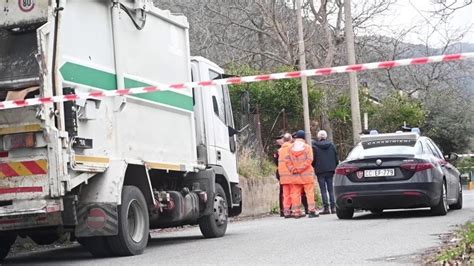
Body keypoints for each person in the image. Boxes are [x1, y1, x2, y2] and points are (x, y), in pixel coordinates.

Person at [285, 130, 319, 218]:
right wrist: (301, 168)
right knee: (309, 193)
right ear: (304, 137)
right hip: (307, 175)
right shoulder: (307, 147)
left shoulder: (290, 148)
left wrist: (293, 169)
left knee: (295, 193)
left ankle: (297, 212)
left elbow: (287, 161)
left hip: (295, 175)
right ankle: (311, 210)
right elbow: (310, 160)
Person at [312, 130, 339, 214]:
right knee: (331, 189)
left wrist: (314, 166)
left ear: (318, 137)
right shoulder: (331, 145)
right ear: (326, 136)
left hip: (320, 170)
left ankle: (326, 208)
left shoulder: (315, 146)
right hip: (330, 170)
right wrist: (335, 166)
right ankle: (333, 207)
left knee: (323, 189)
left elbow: (313, 159)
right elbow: (336, 157)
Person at [277, 133, 294, 218]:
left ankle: (286, 211)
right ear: (291, 139)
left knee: (285, 194)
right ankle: (294, 210)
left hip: (282, 175)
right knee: (294, 193)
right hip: (291, 174)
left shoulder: (280, 150)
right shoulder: (291, 148)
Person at [272, 135, 285, 216]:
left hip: (281, 172)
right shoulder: (278, 150)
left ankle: (283, 210)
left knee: (283, 192)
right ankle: (283, 209)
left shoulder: (279, 150)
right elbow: (276, 162)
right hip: (282, 172)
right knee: (283, 192)